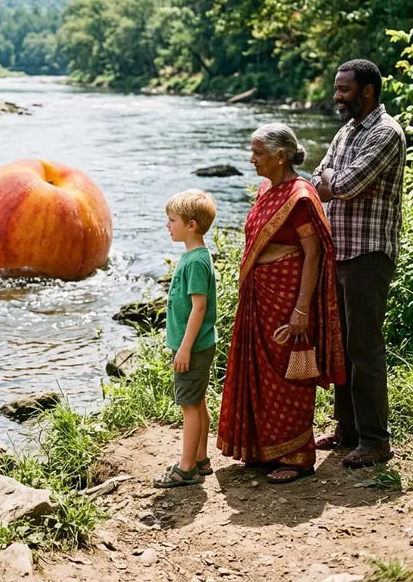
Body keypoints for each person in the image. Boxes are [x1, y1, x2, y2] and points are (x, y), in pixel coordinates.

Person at [217, 124, 345, 484]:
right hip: (259, 294)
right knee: (258, 371)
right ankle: (261, 448)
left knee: (289, 373)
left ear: (280, 156)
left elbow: (313, 253)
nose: (251, 158)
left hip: (287, 295)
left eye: (257, 152)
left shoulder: (301, 197)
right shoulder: (266, 190)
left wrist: (301, 309)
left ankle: (298, 455)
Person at [311, 60, 406, 467]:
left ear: (367, 91)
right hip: (340, 252)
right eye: (336, 89)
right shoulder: (347, 130)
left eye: (344, 90)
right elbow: (318, 179)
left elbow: (344, 185)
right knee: (342, 346)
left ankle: (376, 440)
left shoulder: (386, 133)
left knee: (364, 349)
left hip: (368, 256)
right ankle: (347, 430)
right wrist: (332, 179)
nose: (337, 96)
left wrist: (333, 179)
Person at [154, 189, 218, 488]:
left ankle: (186, 467)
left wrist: (184, 349)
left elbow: (199, 307)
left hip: (192, 346)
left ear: (191, 225)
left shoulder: (194, 262)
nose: (167, 226)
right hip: (199, 345)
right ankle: (201, 458)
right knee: (198, 401)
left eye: (172, 220)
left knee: (189, 407)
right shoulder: (196, 255)